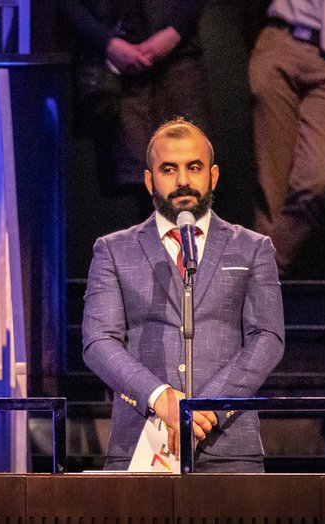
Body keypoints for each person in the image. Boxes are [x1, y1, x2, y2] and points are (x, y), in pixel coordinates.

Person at [82, 118, 285, 472]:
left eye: (194, 167)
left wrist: (205, 407)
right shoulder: (113, 251)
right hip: (141, 450)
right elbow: (98, 342)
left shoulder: (253, 249)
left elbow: (267, 338)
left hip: (230, 452)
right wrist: (161, 399)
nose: (183, 181)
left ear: (214, 175)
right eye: (168, 169)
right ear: (149, 180)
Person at [248, 0, 325, 275]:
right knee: (270, 190)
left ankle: (256, 280)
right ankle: (261, 299)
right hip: (280, 42)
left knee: (316, 180)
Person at [59, 0, 211, 205]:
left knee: (187, 179)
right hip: (116, 64)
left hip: (178, 57)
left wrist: (174, 32)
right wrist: (107, 43)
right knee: (141, 182)